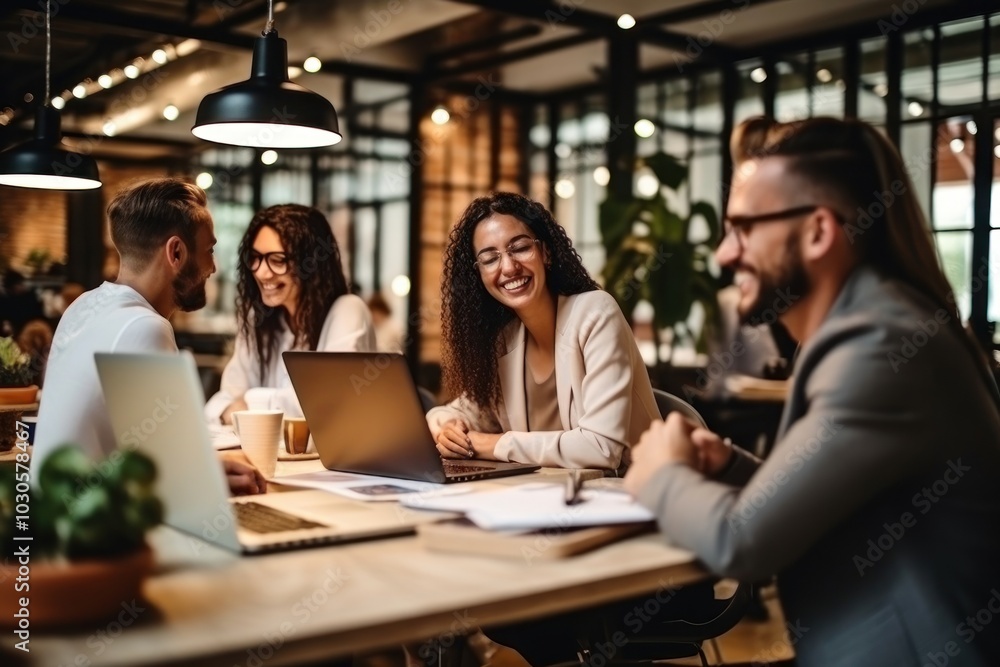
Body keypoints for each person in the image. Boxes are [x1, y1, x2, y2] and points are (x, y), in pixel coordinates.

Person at [624, 117, 1000, 667]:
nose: (725, 256)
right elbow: (841, 506)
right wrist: (728, 466)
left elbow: (741, 544)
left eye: (743, 228)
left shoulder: (880, 345)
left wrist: (661, 473)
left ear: (819, 232)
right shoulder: (872, 324)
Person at [33, 178, 266, 496]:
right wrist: (198, 477)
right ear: (177, 252)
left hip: (50, 521)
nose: (213, 267)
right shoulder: (144, 326)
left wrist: (201, 469)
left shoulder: (83, 307)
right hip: (95, 534)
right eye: (209, 251)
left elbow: (160, 461)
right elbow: (173, 490)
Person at [426, 191, 658, 472]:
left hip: (629, 494)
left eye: (520, 248)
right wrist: (449, 428)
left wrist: (491, 444)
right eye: (490, 259)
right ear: (479, 276)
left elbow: (601, 448)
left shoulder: (596, 313)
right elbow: (456, 412)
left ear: (545, 252)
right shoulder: (505, 340)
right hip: (545, 500)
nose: (509, 267)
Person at [205, 204, 375, 425]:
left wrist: (248, 402)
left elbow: (323, 404)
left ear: (311, 263)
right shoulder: (259, 318)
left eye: (277, 260)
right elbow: (222, 402)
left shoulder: (347, 310)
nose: (261, 272)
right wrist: (252, 406)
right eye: (255, 257)